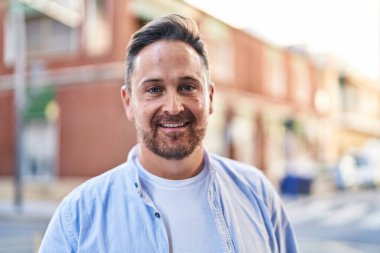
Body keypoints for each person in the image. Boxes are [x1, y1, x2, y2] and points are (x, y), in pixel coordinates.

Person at [39, 14, 299, 253]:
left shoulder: (256, 192)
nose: (173, 107)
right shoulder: (78, 216)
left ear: (209, 97)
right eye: (154, 89)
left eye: (187, 87)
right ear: (128, 102)